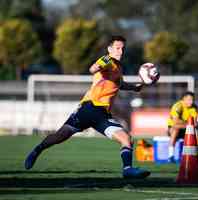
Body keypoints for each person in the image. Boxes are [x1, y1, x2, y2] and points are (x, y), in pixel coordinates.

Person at [24, 35, 151, 179]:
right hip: (89, 108)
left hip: (102, 114)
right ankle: (37, 149)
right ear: (110, 49)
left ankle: (127, 170)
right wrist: (98, 66)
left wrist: (135, 88)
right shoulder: (107, 60)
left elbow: (119, 84)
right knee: (60, 136)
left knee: (126, 138)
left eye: (123, 48)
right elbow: (93, 68)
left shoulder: (119, 67)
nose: (121, 51)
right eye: (117, 48)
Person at [167, 91, 198, 162]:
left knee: (196, 131)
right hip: (173, 128)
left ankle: (195, 154)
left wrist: (189, 124)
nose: (191, 102)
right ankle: (170, 156)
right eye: (189, 100)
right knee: (176, 129)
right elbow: (175, 121)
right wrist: (189, 124)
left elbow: (195, 123)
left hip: (187, 127)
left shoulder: (194, 108)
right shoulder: (178, 106)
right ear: (184, 99)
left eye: (192, 100)